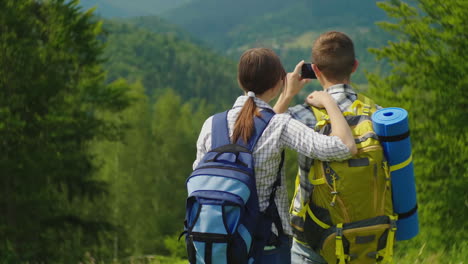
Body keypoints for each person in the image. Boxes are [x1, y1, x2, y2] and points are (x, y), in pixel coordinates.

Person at [193, 47, 357, 263]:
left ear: (241, 81)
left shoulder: (211, 124)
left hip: (216, 239)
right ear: (279, 82)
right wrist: (328, 101)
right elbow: (345, 147)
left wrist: (286, 94)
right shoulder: (279, 125)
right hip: (265, 244)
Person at [276, 31, 380, 264]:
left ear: (316, 70)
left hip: (312, 236)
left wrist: (287, 94)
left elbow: (265, 135)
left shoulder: (303, 114)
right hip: (369, 235)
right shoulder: (379, 114)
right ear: (355, 66)